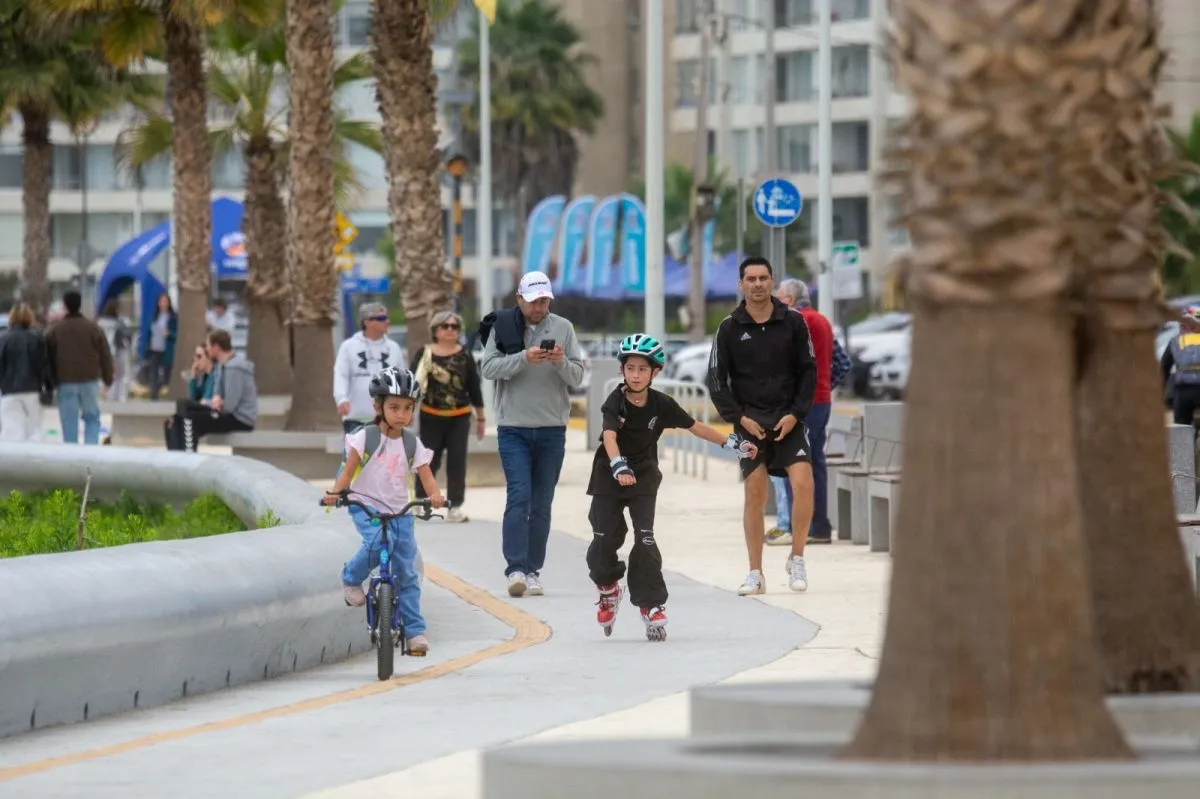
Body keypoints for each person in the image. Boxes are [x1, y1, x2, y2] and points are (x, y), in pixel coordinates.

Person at [589, 334, 757, 638]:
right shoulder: (615, 401)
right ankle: (609, 588)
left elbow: (696, 427)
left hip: (643, 478)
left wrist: (734, 443)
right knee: (603, 541)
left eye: (643, 369)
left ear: (656, 373)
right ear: (622, 370)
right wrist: (618, 465)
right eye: (630, 368)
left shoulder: (661, 404)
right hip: (608, 476)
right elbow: (610, 436)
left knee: (646, 540)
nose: (636, 375)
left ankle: (650, 604)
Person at [706, 256, 817, 595]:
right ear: (741, 284)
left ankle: (796, 558)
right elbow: (715, 381)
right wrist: (738, 419)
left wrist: (796, 414)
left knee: (804, 483)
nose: (757, 284)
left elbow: (809, 372)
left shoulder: (794, 322)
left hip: (788, 419)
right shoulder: (729, 327)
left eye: (763, 278)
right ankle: (755, 572)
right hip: (748, 422)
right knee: (754, 492)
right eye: (750, 279)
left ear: (772, 281)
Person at [321, 367, 445, 656]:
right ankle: (351, 577)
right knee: (376, 542)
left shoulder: (411, 442)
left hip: (400, 509)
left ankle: (415, 632)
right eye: (393, 407)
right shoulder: (365, 437)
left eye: (407, 408)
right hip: (365, 505)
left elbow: (426, 475)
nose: (401, 414)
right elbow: (348, 471)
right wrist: (335, 493)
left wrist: (436, 495)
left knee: (407, 571)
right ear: (378, 407)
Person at [480, 270, 585, 597]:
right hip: (514, 428)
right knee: (519, 495)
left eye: (544, 301)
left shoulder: (563, 328)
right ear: (519, 299)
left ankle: (533, 569)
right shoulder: (503, 326)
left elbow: (577, 376)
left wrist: (558, 361)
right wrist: (523, 358)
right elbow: (488, 368)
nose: (539, 307)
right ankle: (515, 568)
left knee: (542, 502)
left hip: (552, 429)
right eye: (533, 300)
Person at [765, 279, 851, 547]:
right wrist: (824, 385)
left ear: (789, 300)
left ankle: (797, 527)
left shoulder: (794, 322)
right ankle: (820, 526)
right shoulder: (822, 321)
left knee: (795, 462)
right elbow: (843, 363)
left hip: (799, 405)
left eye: (778, 297)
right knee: (815, 463)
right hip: (821, 402)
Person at [412, 310, 486, 523]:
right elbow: (412, 385)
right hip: (430, 416)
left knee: (457, 462)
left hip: (459, 417)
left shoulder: (464, 354)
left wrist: (481, 418)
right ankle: (420, 501)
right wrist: (406, 413)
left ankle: (454, 506)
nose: (450, 330)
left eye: (455, 326)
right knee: (427, 460)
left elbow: (474, 388)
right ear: (435, 330)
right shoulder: (424, 353)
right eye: (446, 326)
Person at [164, 329, 256, 451]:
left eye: (208, 346)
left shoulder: (235, 368)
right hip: (223, 412)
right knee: (178, 415)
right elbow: (216, 395)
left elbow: (230, 405)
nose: (207, 349)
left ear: (216, 347)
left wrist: (215, 402)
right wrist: (214, 400)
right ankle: (177, 458)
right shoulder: (221, 367)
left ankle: (188, 458)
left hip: (239, 419)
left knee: (191, 418)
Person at [45, 291, 114, 446]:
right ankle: (89, 452)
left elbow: (47, 358)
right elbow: (105, 355)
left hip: (65, 381)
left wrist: (50, 382)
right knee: (92, 417)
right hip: (89, 379)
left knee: (69, 420)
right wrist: (108, 377)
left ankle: (71, 456)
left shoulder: (55, 331)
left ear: (65, 306)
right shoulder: (93, 328)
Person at [334, 302, 406, 434]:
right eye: (381, 318)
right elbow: (341, 375)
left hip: (387, 418)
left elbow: (401, 380)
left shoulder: (394, 348)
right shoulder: (348, 347)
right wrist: (342, 399)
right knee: (355, 455)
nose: (387, 321)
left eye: (386, 318)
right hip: (355, 417)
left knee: (387, 455)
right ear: (367, 322)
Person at [0, 303, 50, 442]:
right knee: (34, 430)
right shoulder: (38, 338)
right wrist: (48, 388)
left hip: (8, 390)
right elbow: (44, 366)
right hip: (32, 389)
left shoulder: (3, 339)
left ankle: (13, 462)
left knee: (11, 431)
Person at [163, 343, 217, 448]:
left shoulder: (215, 376)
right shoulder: (203, 378)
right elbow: (192, 399)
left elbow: (205, 401)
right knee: (170, 423)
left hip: (213, 415)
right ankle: (177, 456)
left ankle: (187, 454)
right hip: (201, 412)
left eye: (199, 356)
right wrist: (193, 377)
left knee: (183, 409)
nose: (195, 360)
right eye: (195, 356)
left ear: (209, 358)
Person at [1162, 306, 1200, 435]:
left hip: (1183, 392)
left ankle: (1183, 452)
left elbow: (1164, 367)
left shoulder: (1176, 341)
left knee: (1181, 428)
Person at [141, 292, 178, 400]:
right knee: (153, 372)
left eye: (165, 301)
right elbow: (148, 332)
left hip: (166, 348)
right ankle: (154, 394)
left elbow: (176, 334)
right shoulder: (154, 316)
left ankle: (164, 391)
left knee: (167, 372)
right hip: (154, 347)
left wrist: (169, 334)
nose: (163, 304)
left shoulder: (173, 317)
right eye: (161, 301)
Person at [97, 299, 134, 402]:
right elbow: (127, 336)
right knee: (120, 375)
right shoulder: (120, 322)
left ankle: (110, 396)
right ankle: (119, 397)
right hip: (119, 351)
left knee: (109, 375)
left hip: (106, 352)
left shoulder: (101, 323)